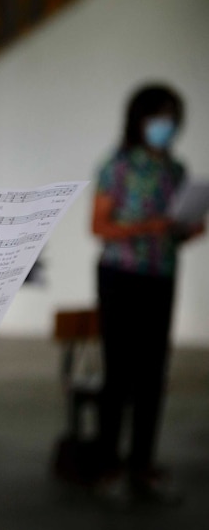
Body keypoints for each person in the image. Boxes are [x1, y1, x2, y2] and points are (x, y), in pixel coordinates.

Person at [91, 84, 204, 504]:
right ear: (139, 119)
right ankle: (107, 464)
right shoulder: (117, 166)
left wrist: (187, 229)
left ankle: (142, 461)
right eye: (158, 116)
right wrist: (147, 227)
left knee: (154, 373)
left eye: (172, 117)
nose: (166, 126)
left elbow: (176, 231)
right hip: (120, 275)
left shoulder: (176, 169)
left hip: (162, 274)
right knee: (118, 372)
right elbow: (98, 228)